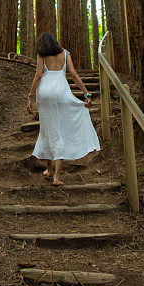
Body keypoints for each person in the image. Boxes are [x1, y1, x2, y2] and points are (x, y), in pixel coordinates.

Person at [26, 33, 100, 186]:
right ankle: (56, 177)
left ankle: (49, 169)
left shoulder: (42, 54)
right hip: (61, 93)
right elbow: (73, 74)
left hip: (44, 94)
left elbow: (38, 76)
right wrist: (86, 93)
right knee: (59, 132)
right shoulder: (65, 54)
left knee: (46, 130)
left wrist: (30, 96)